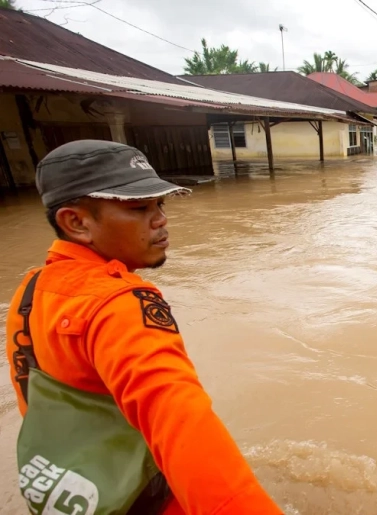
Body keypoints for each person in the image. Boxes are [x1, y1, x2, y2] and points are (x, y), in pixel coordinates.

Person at [6, 140, 282, 514]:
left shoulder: (30, 290)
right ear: (76, 222)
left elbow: (35, 402)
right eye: (139, 208)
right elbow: (181, 425)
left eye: (159, 204)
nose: (161, 220)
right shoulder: (120, 303)